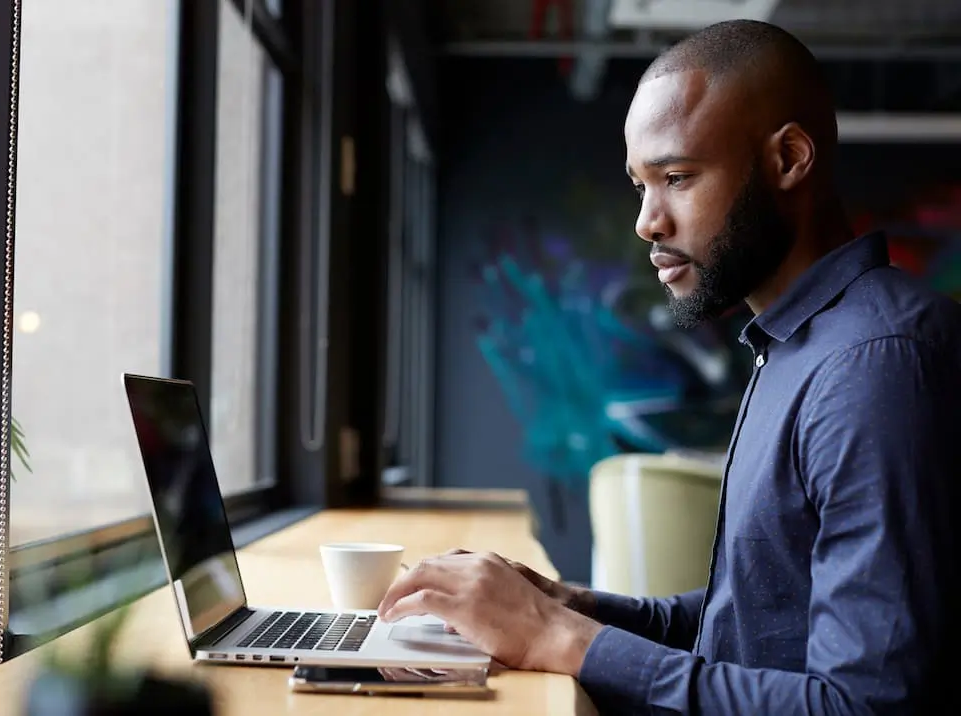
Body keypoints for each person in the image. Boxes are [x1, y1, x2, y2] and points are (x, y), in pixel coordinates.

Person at [378, 19, 961, 714]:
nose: (647, 222)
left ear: (789, 159)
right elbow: (754, 622)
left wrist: (560, 639)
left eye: (677, 177)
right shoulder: (800, 343)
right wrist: (565, 605)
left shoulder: (874, 366)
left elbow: (860, 706)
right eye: (640, 185)